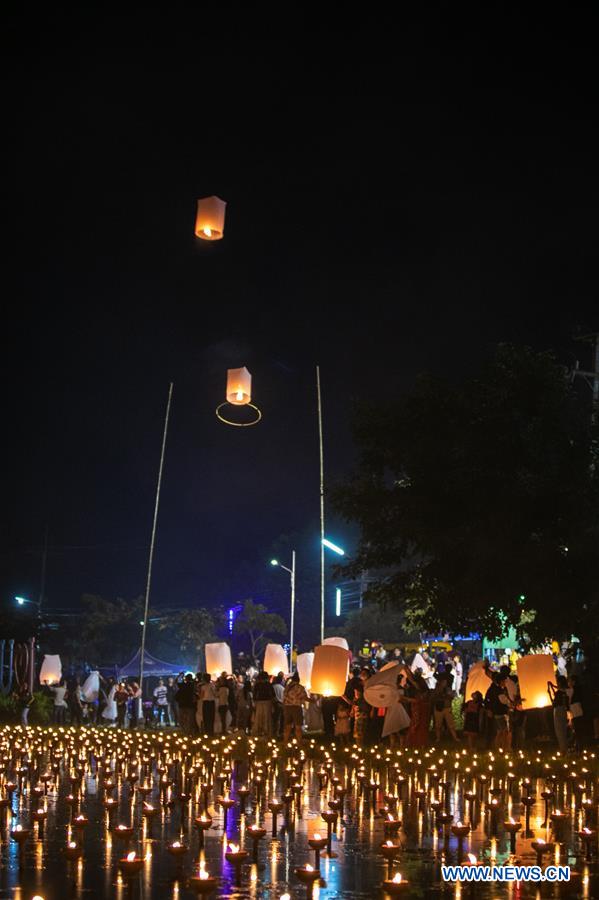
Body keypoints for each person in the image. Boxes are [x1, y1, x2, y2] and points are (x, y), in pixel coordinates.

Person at [485, 673, 511, 750]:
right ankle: (501, 747)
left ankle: (500, 747)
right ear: (501, 681)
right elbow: (504, 701)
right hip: (498, 712)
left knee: (501, 731)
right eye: (504, 681)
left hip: (501, 711)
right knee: (502, 731)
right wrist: (489, 709)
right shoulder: (496, 689)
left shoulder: (501, 688)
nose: (506, 682)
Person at [431, 672, 459, 742]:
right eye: (444, 682)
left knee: (450, 724)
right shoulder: (437, 690)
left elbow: (451, 697)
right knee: (438, 725)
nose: (445, 683)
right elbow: (433, 697)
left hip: (447, 708)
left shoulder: (448, 689)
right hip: (439, 708)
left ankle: (455, 737)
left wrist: (450, 696)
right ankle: (438, 738)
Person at [283, 672, 308, 743]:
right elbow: (304, 697)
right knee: (298, 726)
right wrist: (313, 701)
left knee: (287, 726)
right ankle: (299, 742)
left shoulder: (287, 688)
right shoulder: (299, 687)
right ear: (298, 680)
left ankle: (285, 741)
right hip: (296, 708)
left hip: (287, 708)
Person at [548, 675, 569, 753]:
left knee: (559, 730)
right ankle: (565, 748)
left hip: (558, 710)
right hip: (564, 710)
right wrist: (552, 686)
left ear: (559, 682)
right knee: (564, 730)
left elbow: (554, 703)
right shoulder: (566, 690)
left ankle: (563, 750)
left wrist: (549, 694)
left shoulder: (559, 692)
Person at [252, 671, 274, 737]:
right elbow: (272, 695)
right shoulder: (269, 685)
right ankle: (266, 732)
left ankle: (258, 732)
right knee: (266, 718)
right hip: (267, 702)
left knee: (258, 717)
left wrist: (255, 703)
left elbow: (254, 695)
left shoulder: (257, 685)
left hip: (259, 702)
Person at [567, 675, 584, 751]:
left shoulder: (573, 690)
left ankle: (578, 747)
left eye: (569, 681)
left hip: (576, 711)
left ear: (573, 682)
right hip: (577, 711)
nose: (568, 682)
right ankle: (578, 746)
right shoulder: (577, 690)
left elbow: (570, 701)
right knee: (578, 730)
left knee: (577, 730)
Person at [272, 673, 285, 738]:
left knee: (274, 719)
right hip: (281, 705)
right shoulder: (282, 688)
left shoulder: (273, 687)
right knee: (280, 719)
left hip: (274, 704)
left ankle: (274, 732)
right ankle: (279, 732)